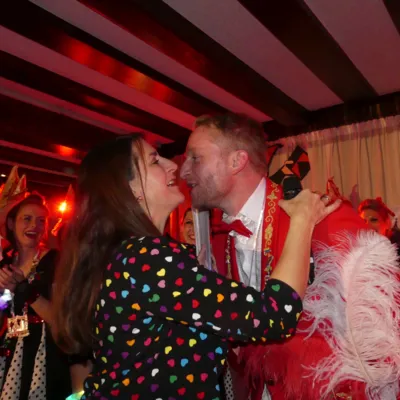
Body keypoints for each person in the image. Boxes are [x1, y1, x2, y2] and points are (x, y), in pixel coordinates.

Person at [51, 133, 338, 400]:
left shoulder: (135, 255)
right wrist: (303, 219)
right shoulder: (144, 257)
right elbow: (274, 315)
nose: (173, 167)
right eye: (155, 161)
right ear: (130, 190)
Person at [180, 113, 400, 400]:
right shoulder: (219, 239)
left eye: (195, 158)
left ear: (237, 161)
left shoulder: (326, 218)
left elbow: (383, 334)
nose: (183, 171)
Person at [0, 194, 71, 399]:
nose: (34, 226)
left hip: (45, 351)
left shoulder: (55, 261)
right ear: (11, 224)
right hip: (11, 347)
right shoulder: (5, 265)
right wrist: (4, 294)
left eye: (41, 221)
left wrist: (25, 289)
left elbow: (59, 318)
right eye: (27, 219)